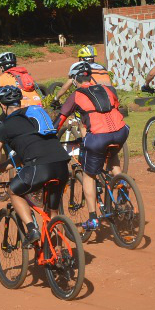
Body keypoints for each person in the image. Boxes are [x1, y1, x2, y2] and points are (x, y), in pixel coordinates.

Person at [0, 86, 71, 245]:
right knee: (53, 213)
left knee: (13, 191)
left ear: (3, 106)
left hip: (39, 167)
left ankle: (31, 229)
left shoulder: (5, 126)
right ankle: (59, 254)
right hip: (61, 164)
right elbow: (21, 156)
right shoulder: (34, 115)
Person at [55, 62, 129, 231]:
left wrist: (49, 135)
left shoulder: (76, 95)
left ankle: (93, 218)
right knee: (113, 158)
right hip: (121, 132)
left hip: (98, 137)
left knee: (89, 175)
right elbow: (115, 108)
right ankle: (123, 192)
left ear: (75, 80)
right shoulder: (107, 89)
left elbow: (60, 119)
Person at [0, 51, 41, 120]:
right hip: (38, 106)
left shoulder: (2, 78)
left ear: (2, 67)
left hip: (20, 109)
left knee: (2, 122)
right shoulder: (25, 75)